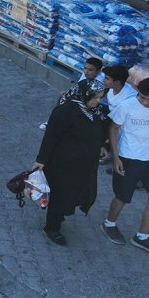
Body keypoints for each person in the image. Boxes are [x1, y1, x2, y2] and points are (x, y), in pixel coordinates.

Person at [33, 82, 111, 245]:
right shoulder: (66, 110)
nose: (98, 101)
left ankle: (59, 216)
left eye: (100, 97)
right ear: (85, 94)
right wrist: (41, 160)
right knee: (60, 195)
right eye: (95, 97)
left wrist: (101, 146)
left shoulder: (96, 111)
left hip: (83, 164)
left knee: (74, 192)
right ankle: (51, 227)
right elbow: (51, 136)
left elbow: (98, 131)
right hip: (63, 164)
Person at [101, 78, 149, 255]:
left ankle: (142, 236)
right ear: (137, 93)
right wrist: (115, 158)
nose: (146, 102)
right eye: (142, 98)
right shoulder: (127, 106)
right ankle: (109, 224)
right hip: (127, 159)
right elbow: (113, 128)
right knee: (122, 197)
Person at [98, 65, 137, 165]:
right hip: (113, 117)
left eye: (107, 79)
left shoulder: (130, 97)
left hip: (125, 124)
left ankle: (109, 151)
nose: (103, 80)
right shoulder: (111, 89)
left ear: (117, 82)